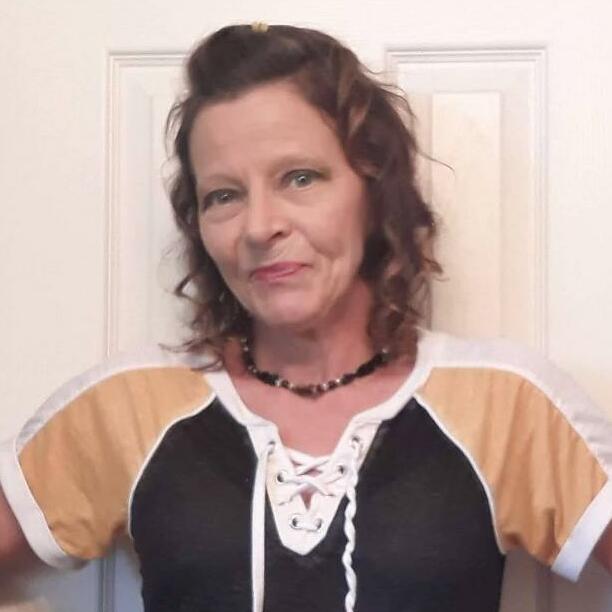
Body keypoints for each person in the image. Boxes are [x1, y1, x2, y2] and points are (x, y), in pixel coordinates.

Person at [1, 21, 612, 612]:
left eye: (300, 178)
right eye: (224, 195)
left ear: (374, 190)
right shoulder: (129, 407)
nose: (259, 226)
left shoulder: (504, 406)